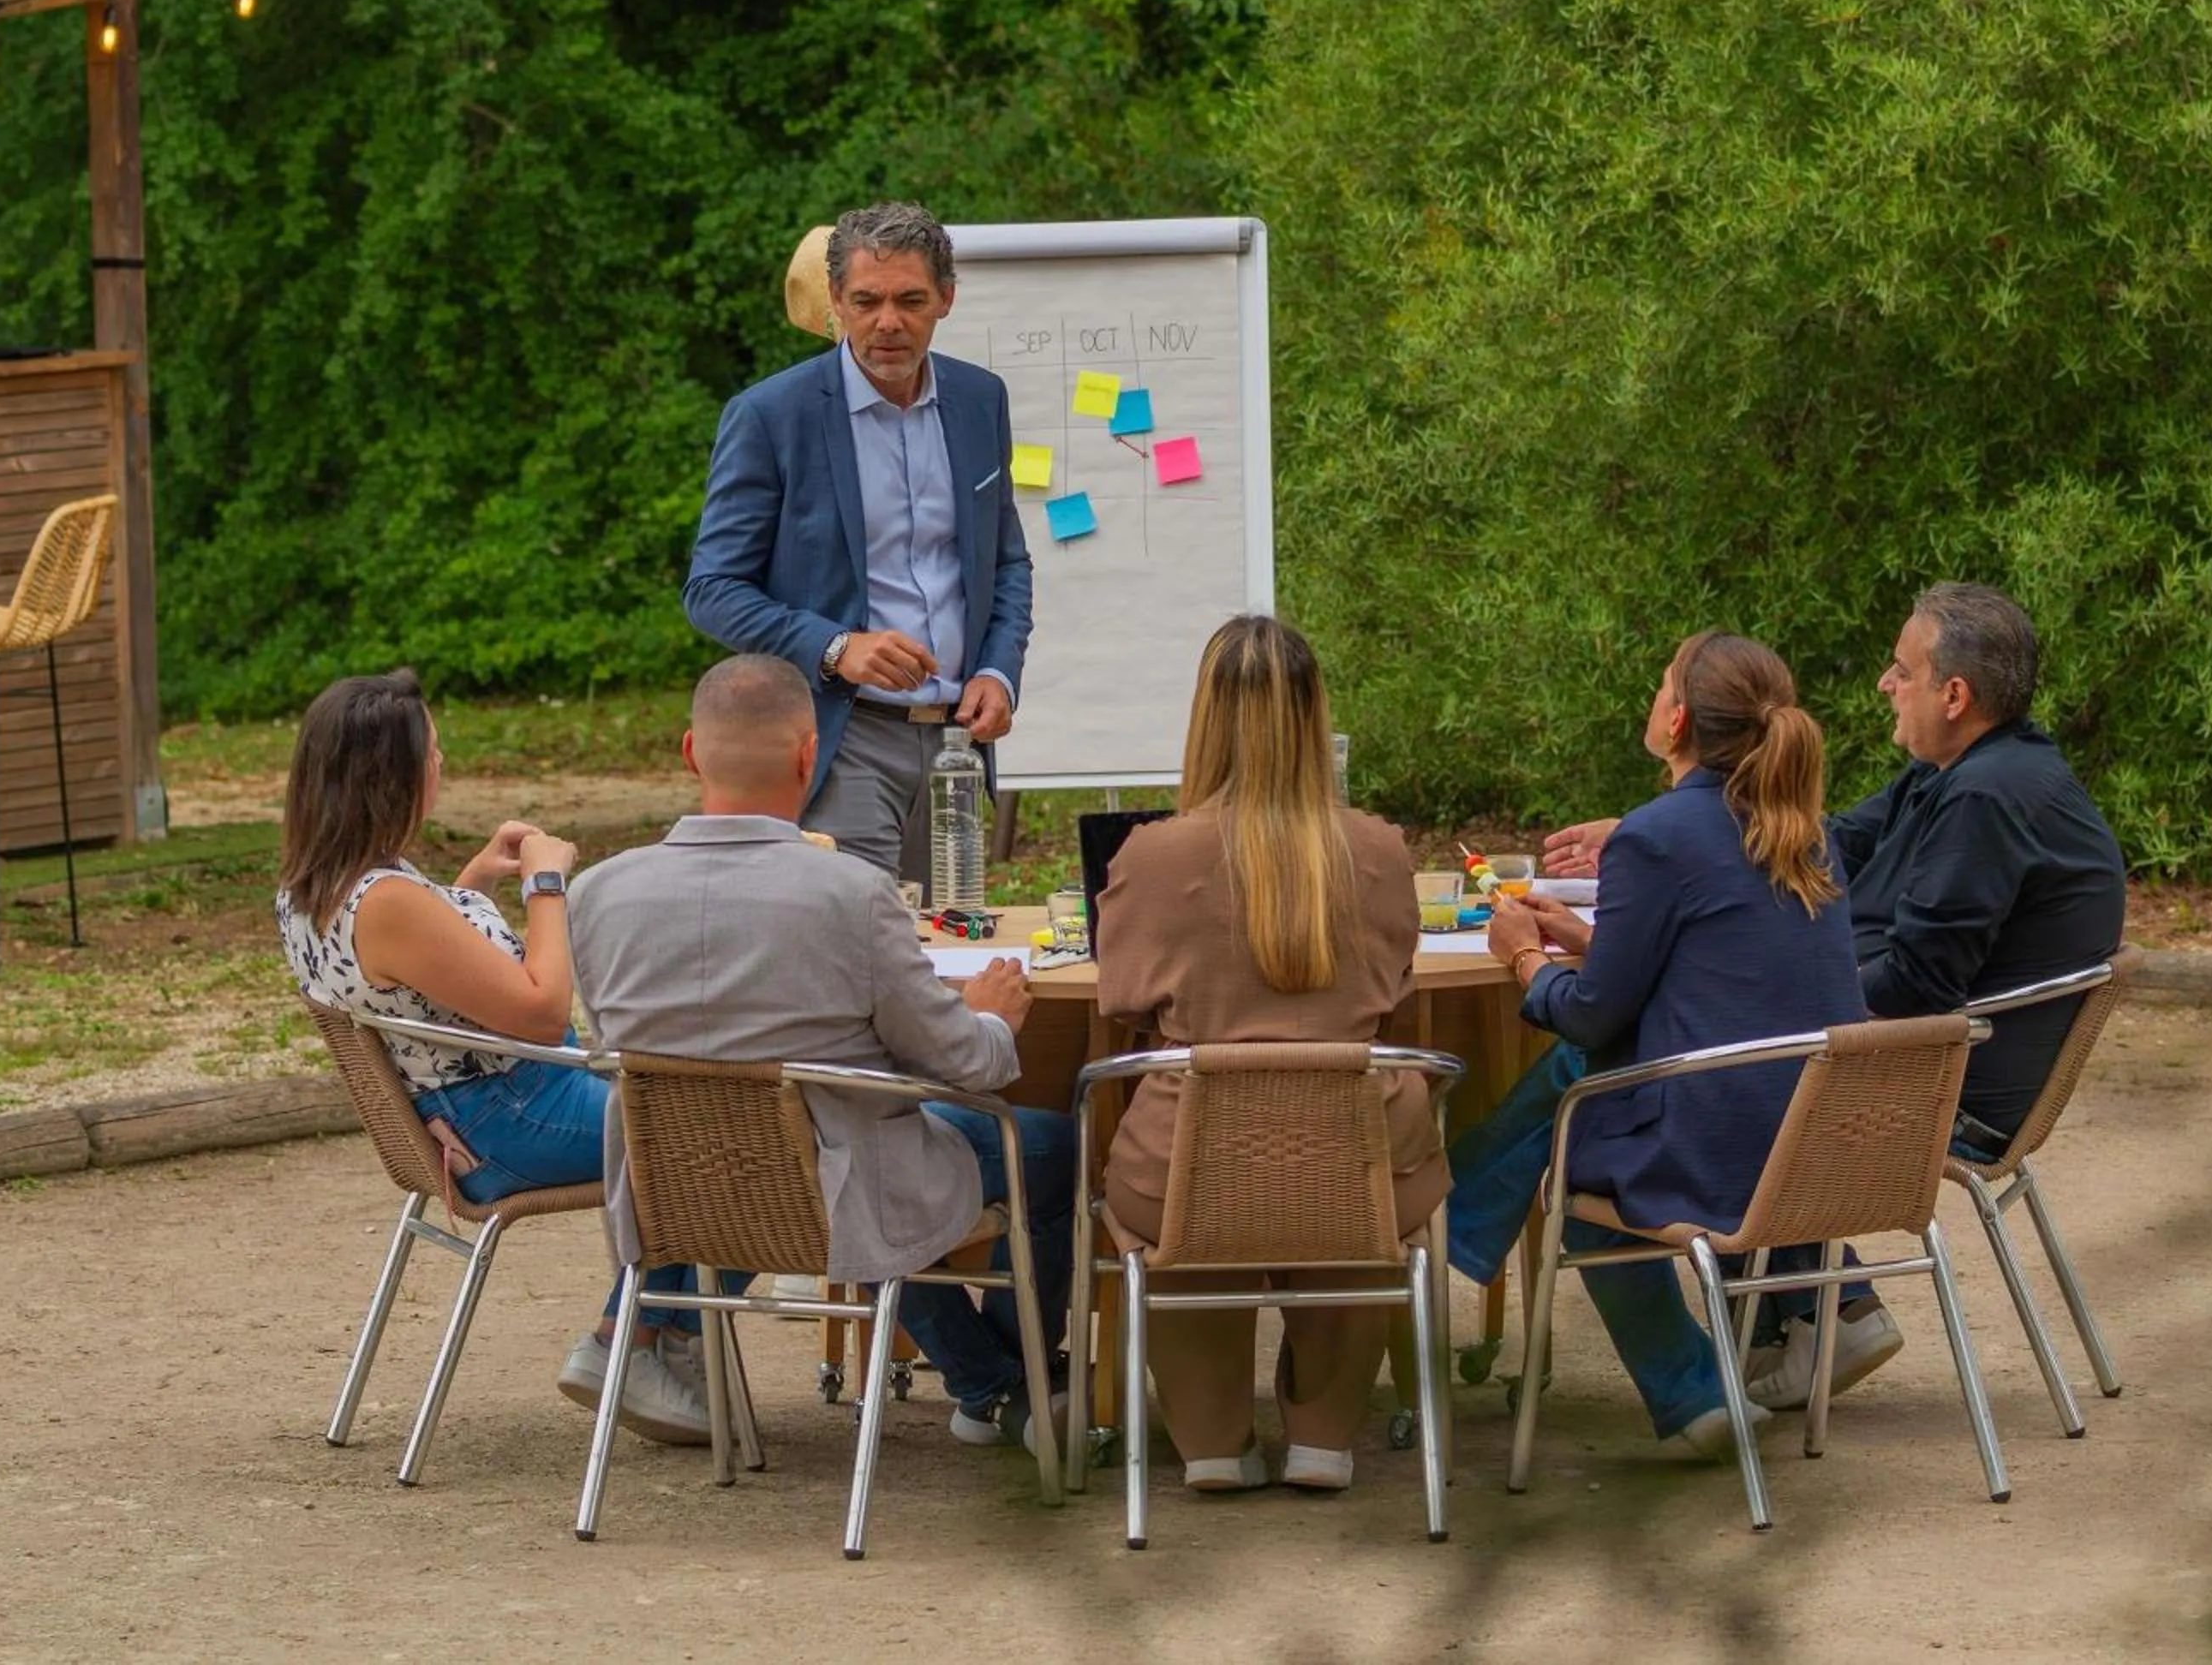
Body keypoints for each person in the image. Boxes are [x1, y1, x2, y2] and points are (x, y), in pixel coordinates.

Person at [1542, 584, 2125, 1407]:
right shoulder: (1963, 774)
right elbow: (1836, 835)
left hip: (1942, 1090)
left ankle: (1792, 1324)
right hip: (1933, 1060)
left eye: (1901, 670)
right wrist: (1681, 828)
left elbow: (1922, 983)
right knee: (1705, 1043)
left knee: (1666, 1059)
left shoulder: (1989, 800)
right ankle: (1829, 1305)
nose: (1886, 684)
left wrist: (1767, 993)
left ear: (1954, 696)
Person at [569, 653, 1075, 1457]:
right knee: (1053, 1146)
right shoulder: (852, 894)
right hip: (839, 1189)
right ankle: (1017, 1381)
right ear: (812, 755)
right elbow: (965, 1065)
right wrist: (992, 1019)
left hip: (678, 1188)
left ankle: (994, 1384)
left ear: (691, 754)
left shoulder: (594, 894)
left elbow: (609, 1043)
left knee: (865, 1137)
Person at [1443, 633, 1863, 1457]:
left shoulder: (1655, 835)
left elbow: (1595, 1019)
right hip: (1818, 1139)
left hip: (1719, 1151)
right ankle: (1457, 1216)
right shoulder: (1802, 828)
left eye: (1659, 684)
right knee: (1580, 1087)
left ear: (1676, 721)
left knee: (1584, 1174)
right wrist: (1592, 942)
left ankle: (1695, 1394)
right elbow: (1721, 974)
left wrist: (1524, 956)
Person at [274, 671, 717, 1447]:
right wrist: (548, 884)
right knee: (718, 1132)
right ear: (396, 776)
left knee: (687, 1113)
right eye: (434, 753)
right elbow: (545, 1014)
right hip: (511, 1117)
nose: (440, 765)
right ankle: (641, 1341)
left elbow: (415, 982)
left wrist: (475, 882)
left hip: (463, 1115)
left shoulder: (318, 885)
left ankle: (653, 1335)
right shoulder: (387, 900)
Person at [1093, 616, 1448, 1495]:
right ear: (1314, 718)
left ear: (1204, 720)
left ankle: (1212, 1438)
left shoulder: (1152, 854)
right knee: (1348, 1193)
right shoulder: (1378, 849)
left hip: (1188, 1163)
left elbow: (1123, 1000)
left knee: (1177, 1209)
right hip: (1357, 1155)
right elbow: (1394, 984)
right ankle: (1325, 1435)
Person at [683, 202, 1033, 882]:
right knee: (854, 949)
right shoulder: (771, 416)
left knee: (948, 943)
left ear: (947, 300)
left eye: (911, 300)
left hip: (958, 743)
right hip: (845, 737)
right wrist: (839, 648)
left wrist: (998, 671)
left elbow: (1006, 563)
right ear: (836, 303)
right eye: (867, 301)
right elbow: (713, 591)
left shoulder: (980, 399)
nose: (889, 322)